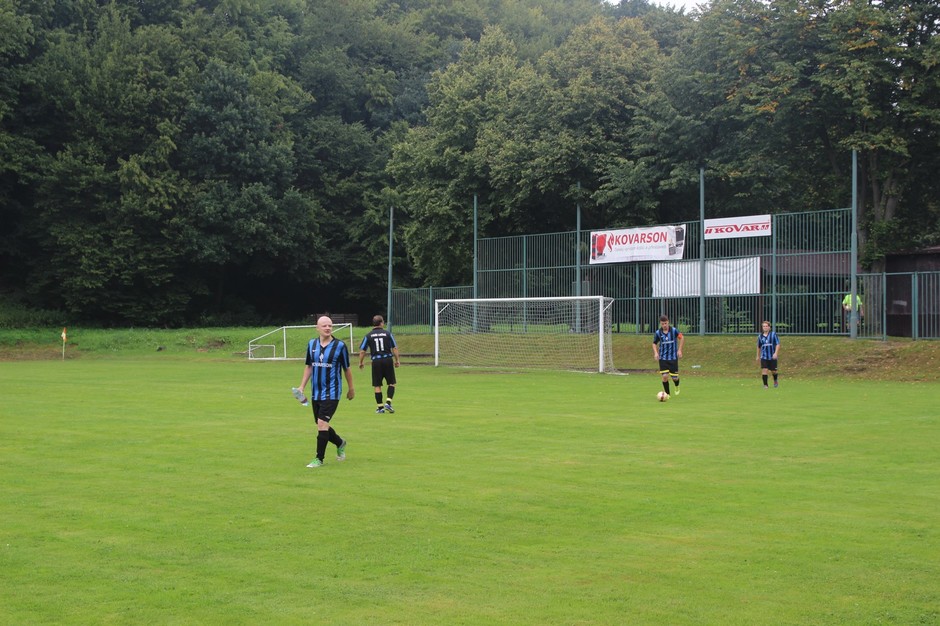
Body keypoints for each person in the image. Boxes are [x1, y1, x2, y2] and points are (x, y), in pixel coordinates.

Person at [296, 316, 355, 468]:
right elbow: (309, 366)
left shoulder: (340, 346)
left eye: (330, 325)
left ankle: (319, 459)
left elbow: (347, 369)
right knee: (321, 423)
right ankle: (340, 442)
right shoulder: (312, 344)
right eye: (324, 326)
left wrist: (351, 388)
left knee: (322, 423)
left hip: (332, 392)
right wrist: (302, 387)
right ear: (317, 328)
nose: (328, 328)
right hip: (316, 392)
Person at [358, 314, 401, 414]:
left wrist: (361, 362)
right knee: (391, 383)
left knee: (377, 385)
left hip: (376, 361)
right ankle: (388, 402)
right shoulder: (388, 334)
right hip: (387, 359)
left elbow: (362, 351)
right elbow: (394, 348)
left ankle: (380, 407)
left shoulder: (368, 336)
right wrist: (397, 360)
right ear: (381, 323)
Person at [652, 314, 684, 397]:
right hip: (663, 358)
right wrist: (656, 353)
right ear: (660, 323)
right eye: (662, 324)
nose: (664, 325)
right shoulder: (658, 333)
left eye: (665, 323)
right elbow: (654, 343)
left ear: (668, 322)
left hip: (673, 358)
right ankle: (667, 394)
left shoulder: (674, 330)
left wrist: (679, 350)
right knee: (665, 376)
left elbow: (681, 338)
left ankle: (677, 386)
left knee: (675, 378)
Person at [756, 320, 780, 388]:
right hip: (764, 356)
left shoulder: (773, 334)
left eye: (766, 326)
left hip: (772, 356)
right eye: (764, 326)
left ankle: (775, 380)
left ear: (769, 327)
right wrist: (757, 356)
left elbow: (778, 344)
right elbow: (758, 346)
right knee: (764, 370)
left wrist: (776, 353)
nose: (765, 327)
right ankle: (765, 385)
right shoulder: (760, 336)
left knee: (774, 371)